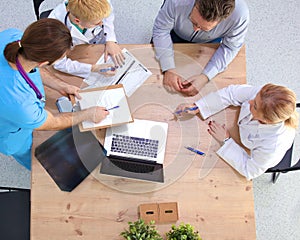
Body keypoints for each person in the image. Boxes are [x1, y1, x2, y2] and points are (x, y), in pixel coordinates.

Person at [0, 19, 109, 170]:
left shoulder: (13, 37)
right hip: (12, 133)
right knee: (33, 159)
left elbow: (32, 65)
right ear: (44, 63)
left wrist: (60, 85)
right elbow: (52, 122)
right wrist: (87, 114)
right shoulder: (22, 105)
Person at [175, 84, 298, 180]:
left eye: (254, 106)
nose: (250, 101)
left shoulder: (273, 145)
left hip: (254, 154)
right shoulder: (264, 96)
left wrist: (226, 140)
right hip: (240, 131)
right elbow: (232, 93)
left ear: (266, 120)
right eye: (255, 98)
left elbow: (250, 170)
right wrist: (198, 107)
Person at [152, 0, 249, 96]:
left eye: (204, 29)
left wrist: (206, 76)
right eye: (193, 22)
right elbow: (161, 30)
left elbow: (230, 47)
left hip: (208, 42)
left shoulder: (240, 16)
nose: (196, 29)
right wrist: (168, 67)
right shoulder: (176, 2)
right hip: (173, 33)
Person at [49, 0, 124, 79]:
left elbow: (108, 16)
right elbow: (59, 63)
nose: (102, 24)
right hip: (74, 54)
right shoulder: (53, 29)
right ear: (77, 21)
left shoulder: (100, 2)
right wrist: (93, 68)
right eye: (97, 23)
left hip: (95, 41)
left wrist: (111, 40)